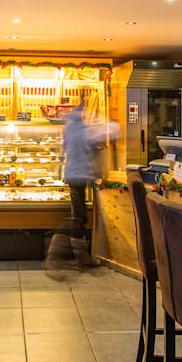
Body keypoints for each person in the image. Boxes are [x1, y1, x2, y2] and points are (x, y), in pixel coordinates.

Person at [47, 102, 102, 270]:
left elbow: (65, 147)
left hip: (72, 174)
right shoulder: (83, 129)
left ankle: (68, 255)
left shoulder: (68, 128)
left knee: (78, 215)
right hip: (80, 176)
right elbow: (98, 141)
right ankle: (71, 256)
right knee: (79, 217)